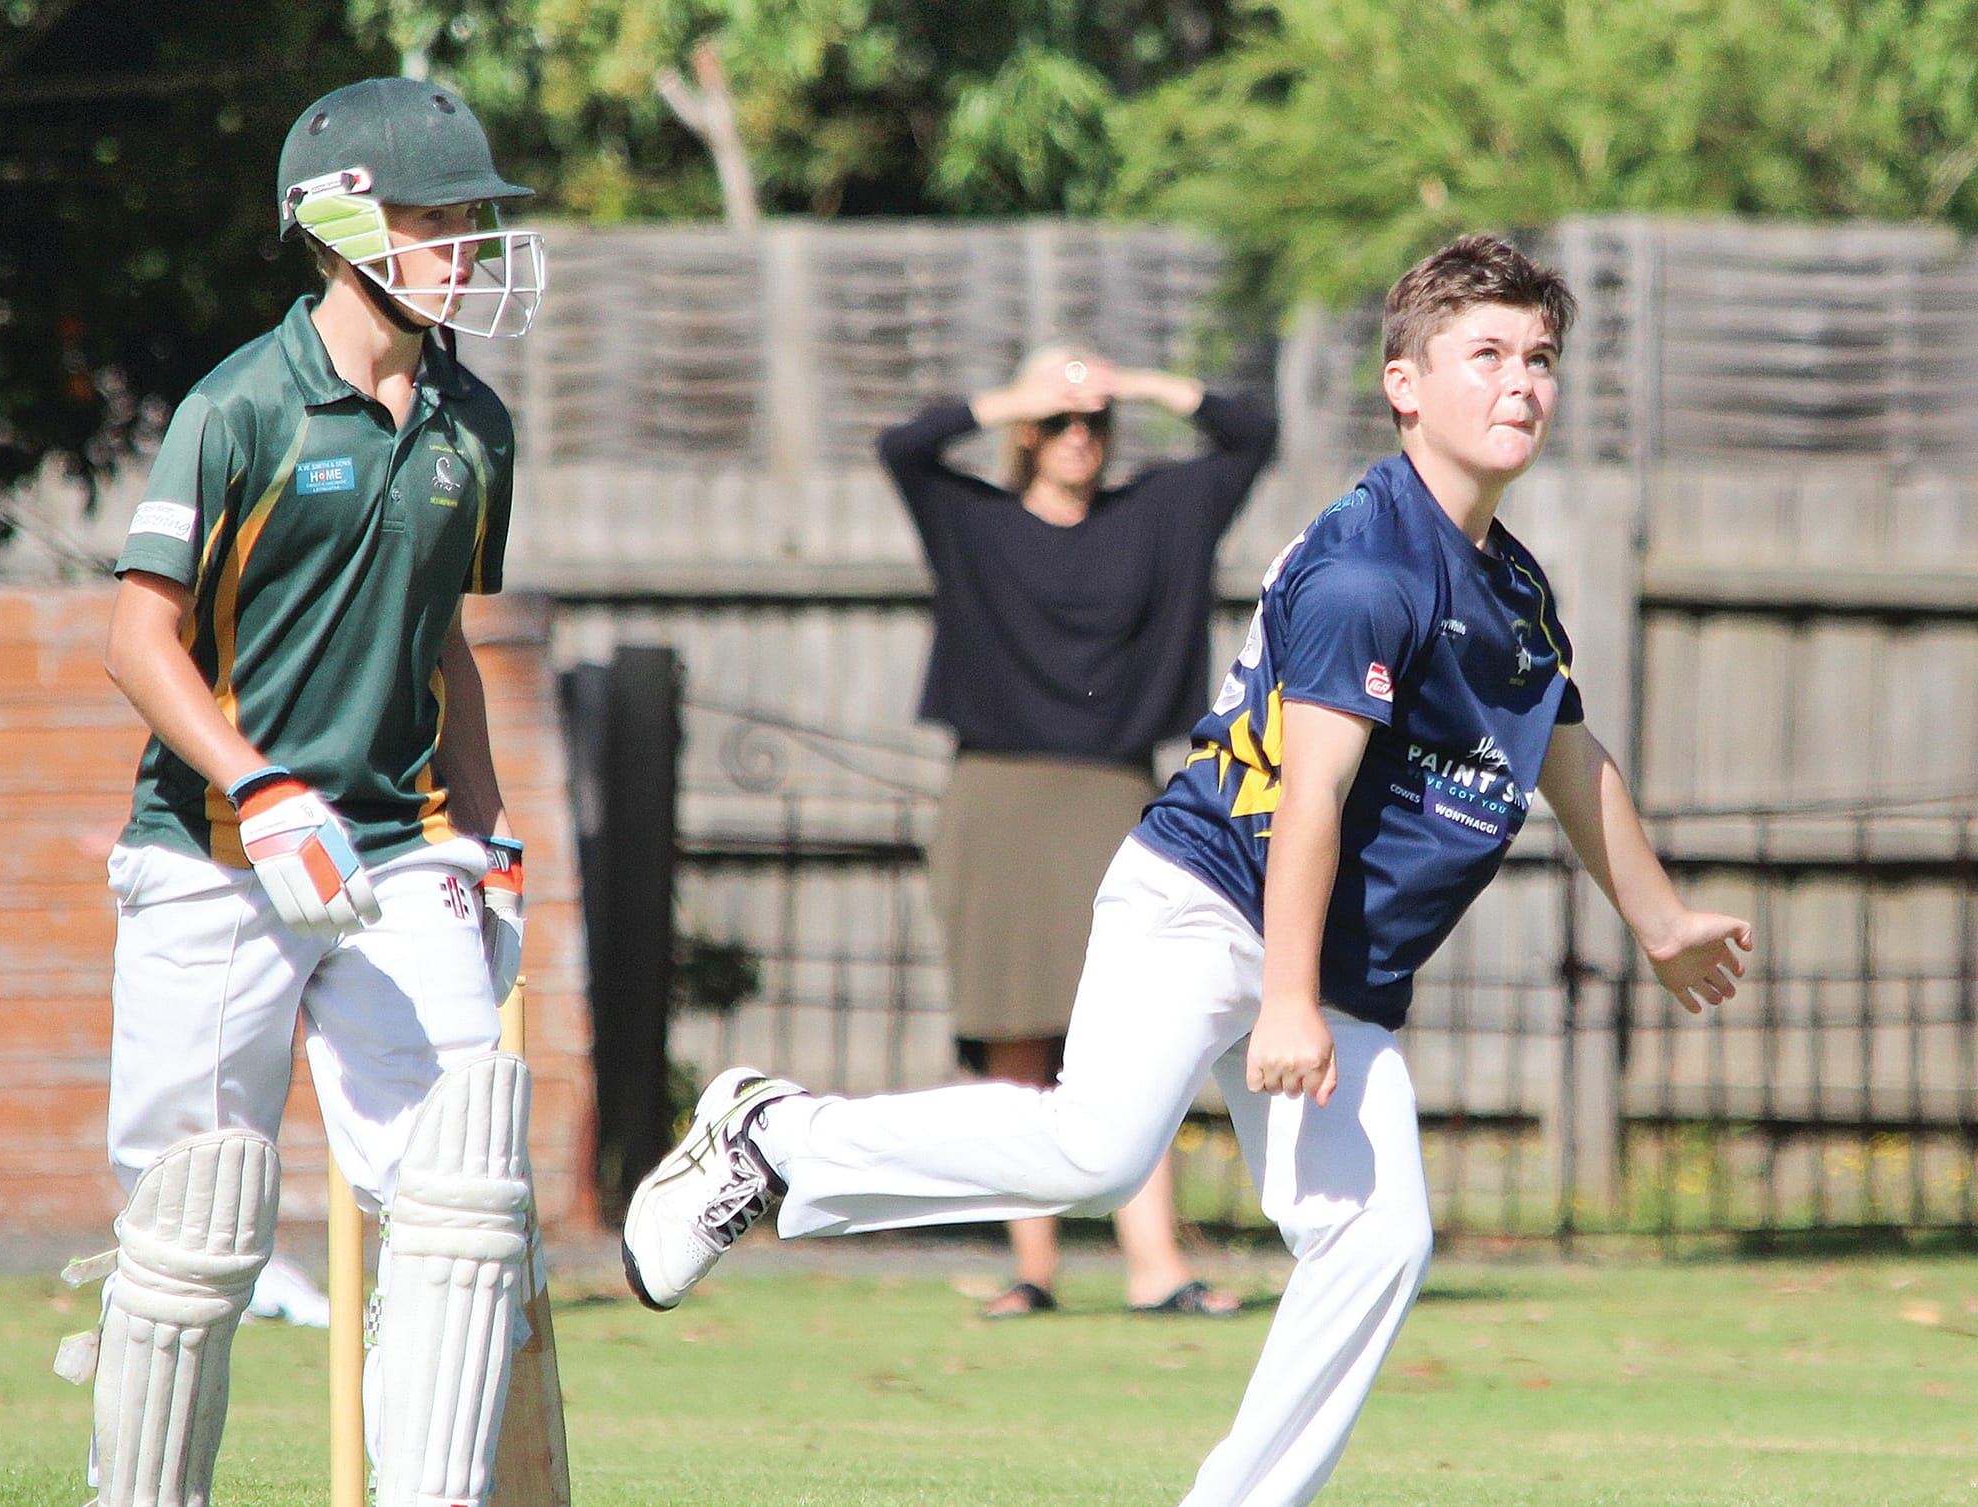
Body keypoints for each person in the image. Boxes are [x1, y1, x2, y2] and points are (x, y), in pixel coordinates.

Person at [620, 233, 1754, 1504]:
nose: (1520, 383)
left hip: (1317, 952)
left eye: (1538, 358)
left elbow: (1565, 751)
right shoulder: (1367, 568)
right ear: (1402, 384)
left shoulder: (1508, 585)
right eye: (1484, 354)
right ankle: (772, 1137)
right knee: (1097, 1153)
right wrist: (1284, 998)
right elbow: (1311, 794)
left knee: (1376, 1237)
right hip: (1209, 900)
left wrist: (1658, 919)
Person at [81, 77, 546, 1507]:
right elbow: (137, 638)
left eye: (472, 220)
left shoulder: (473, 426)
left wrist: (488, 837)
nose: (466, 248)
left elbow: (443, 642)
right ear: (343, 225)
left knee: (463, 1197)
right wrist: (262, 785)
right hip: (216, 854)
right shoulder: (242, 406)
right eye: (436, 219)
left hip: (398, 849)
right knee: (194, 1225)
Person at [877, 346, 1277, 1317]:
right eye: (1057, 422)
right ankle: (1034, 1270)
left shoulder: (1156, 515)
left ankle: (1156, 1268)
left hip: (1115, 796)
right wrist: (1018, 394)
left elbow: (1251, 433)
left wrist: (1132, 383)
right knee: (1015, 1041)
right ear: (1025, 430)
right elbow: (903, 447)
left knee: (1137, 1037)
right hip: (997, 800)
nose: (1078, 436)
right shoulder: (972, 520)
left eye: (1093, 422)